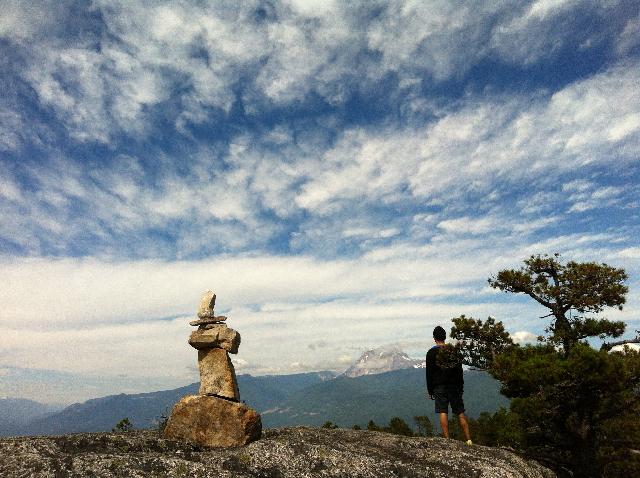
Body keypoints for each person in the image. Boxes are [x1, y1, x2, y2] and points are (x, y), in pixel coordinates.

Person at [426, 325, 472, 445]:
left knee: (443, 411)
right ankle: (468, 439)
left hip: (439, 387)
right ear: (445, 337)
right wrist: (460, 387)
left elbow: (429, 374)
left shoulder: (430, 353)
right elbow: (459, 371)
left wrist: (430, 390)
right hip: (454, 386)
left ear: (434, 338)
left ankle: (447, 441)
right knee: (460, 411)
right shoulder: (453, 351)